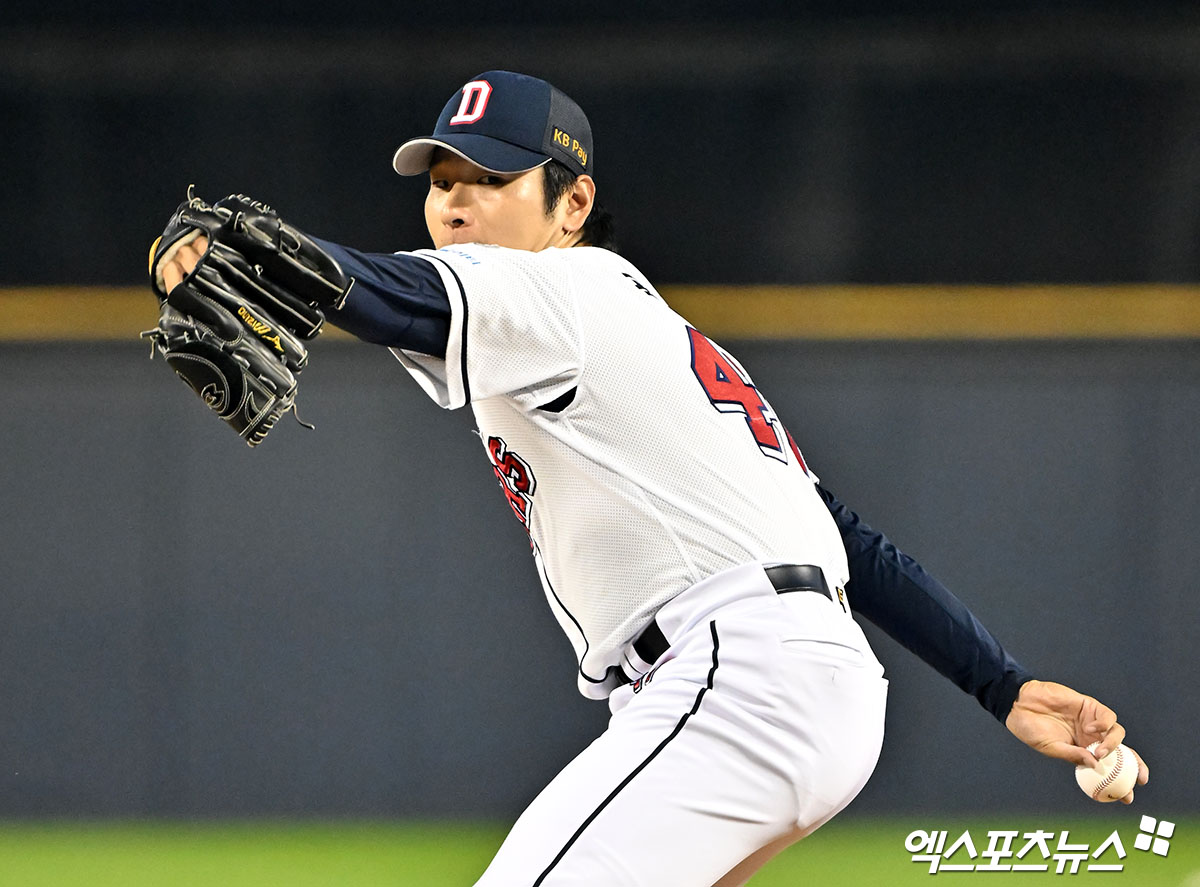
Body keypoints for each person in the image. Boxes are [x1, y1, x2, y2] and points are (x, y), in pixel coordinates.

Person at [158, 70, 1148, 886]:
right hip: (788, 682)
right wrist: (999, 681)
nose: (454, 198)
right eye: (440, 177)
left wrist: (251, 256)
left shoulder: (561, 289)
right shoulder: (633, 323)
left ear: (572, 202)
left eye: (490, 177)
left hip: (740, 677)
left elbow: (392, 294)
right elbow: (840, 534)